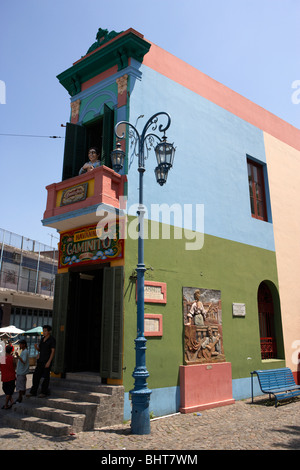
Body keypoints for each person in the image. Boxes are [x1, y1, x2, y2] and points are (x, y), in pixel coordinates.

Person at [27, 325, 56, 398]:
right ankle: (33, 391)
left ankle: (44, 392)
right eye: (43, 331)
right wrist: (37, 348)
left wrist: (49, 361)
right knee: (36, 375)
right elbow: (41, 350)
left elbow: (53, 351)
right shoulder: (42, 339)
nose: (44, 332)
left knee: (46, 377)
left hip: (47, 361)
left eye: (45, 331)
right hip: (40, 360)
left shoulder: (52, 340)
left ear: (49, 331)